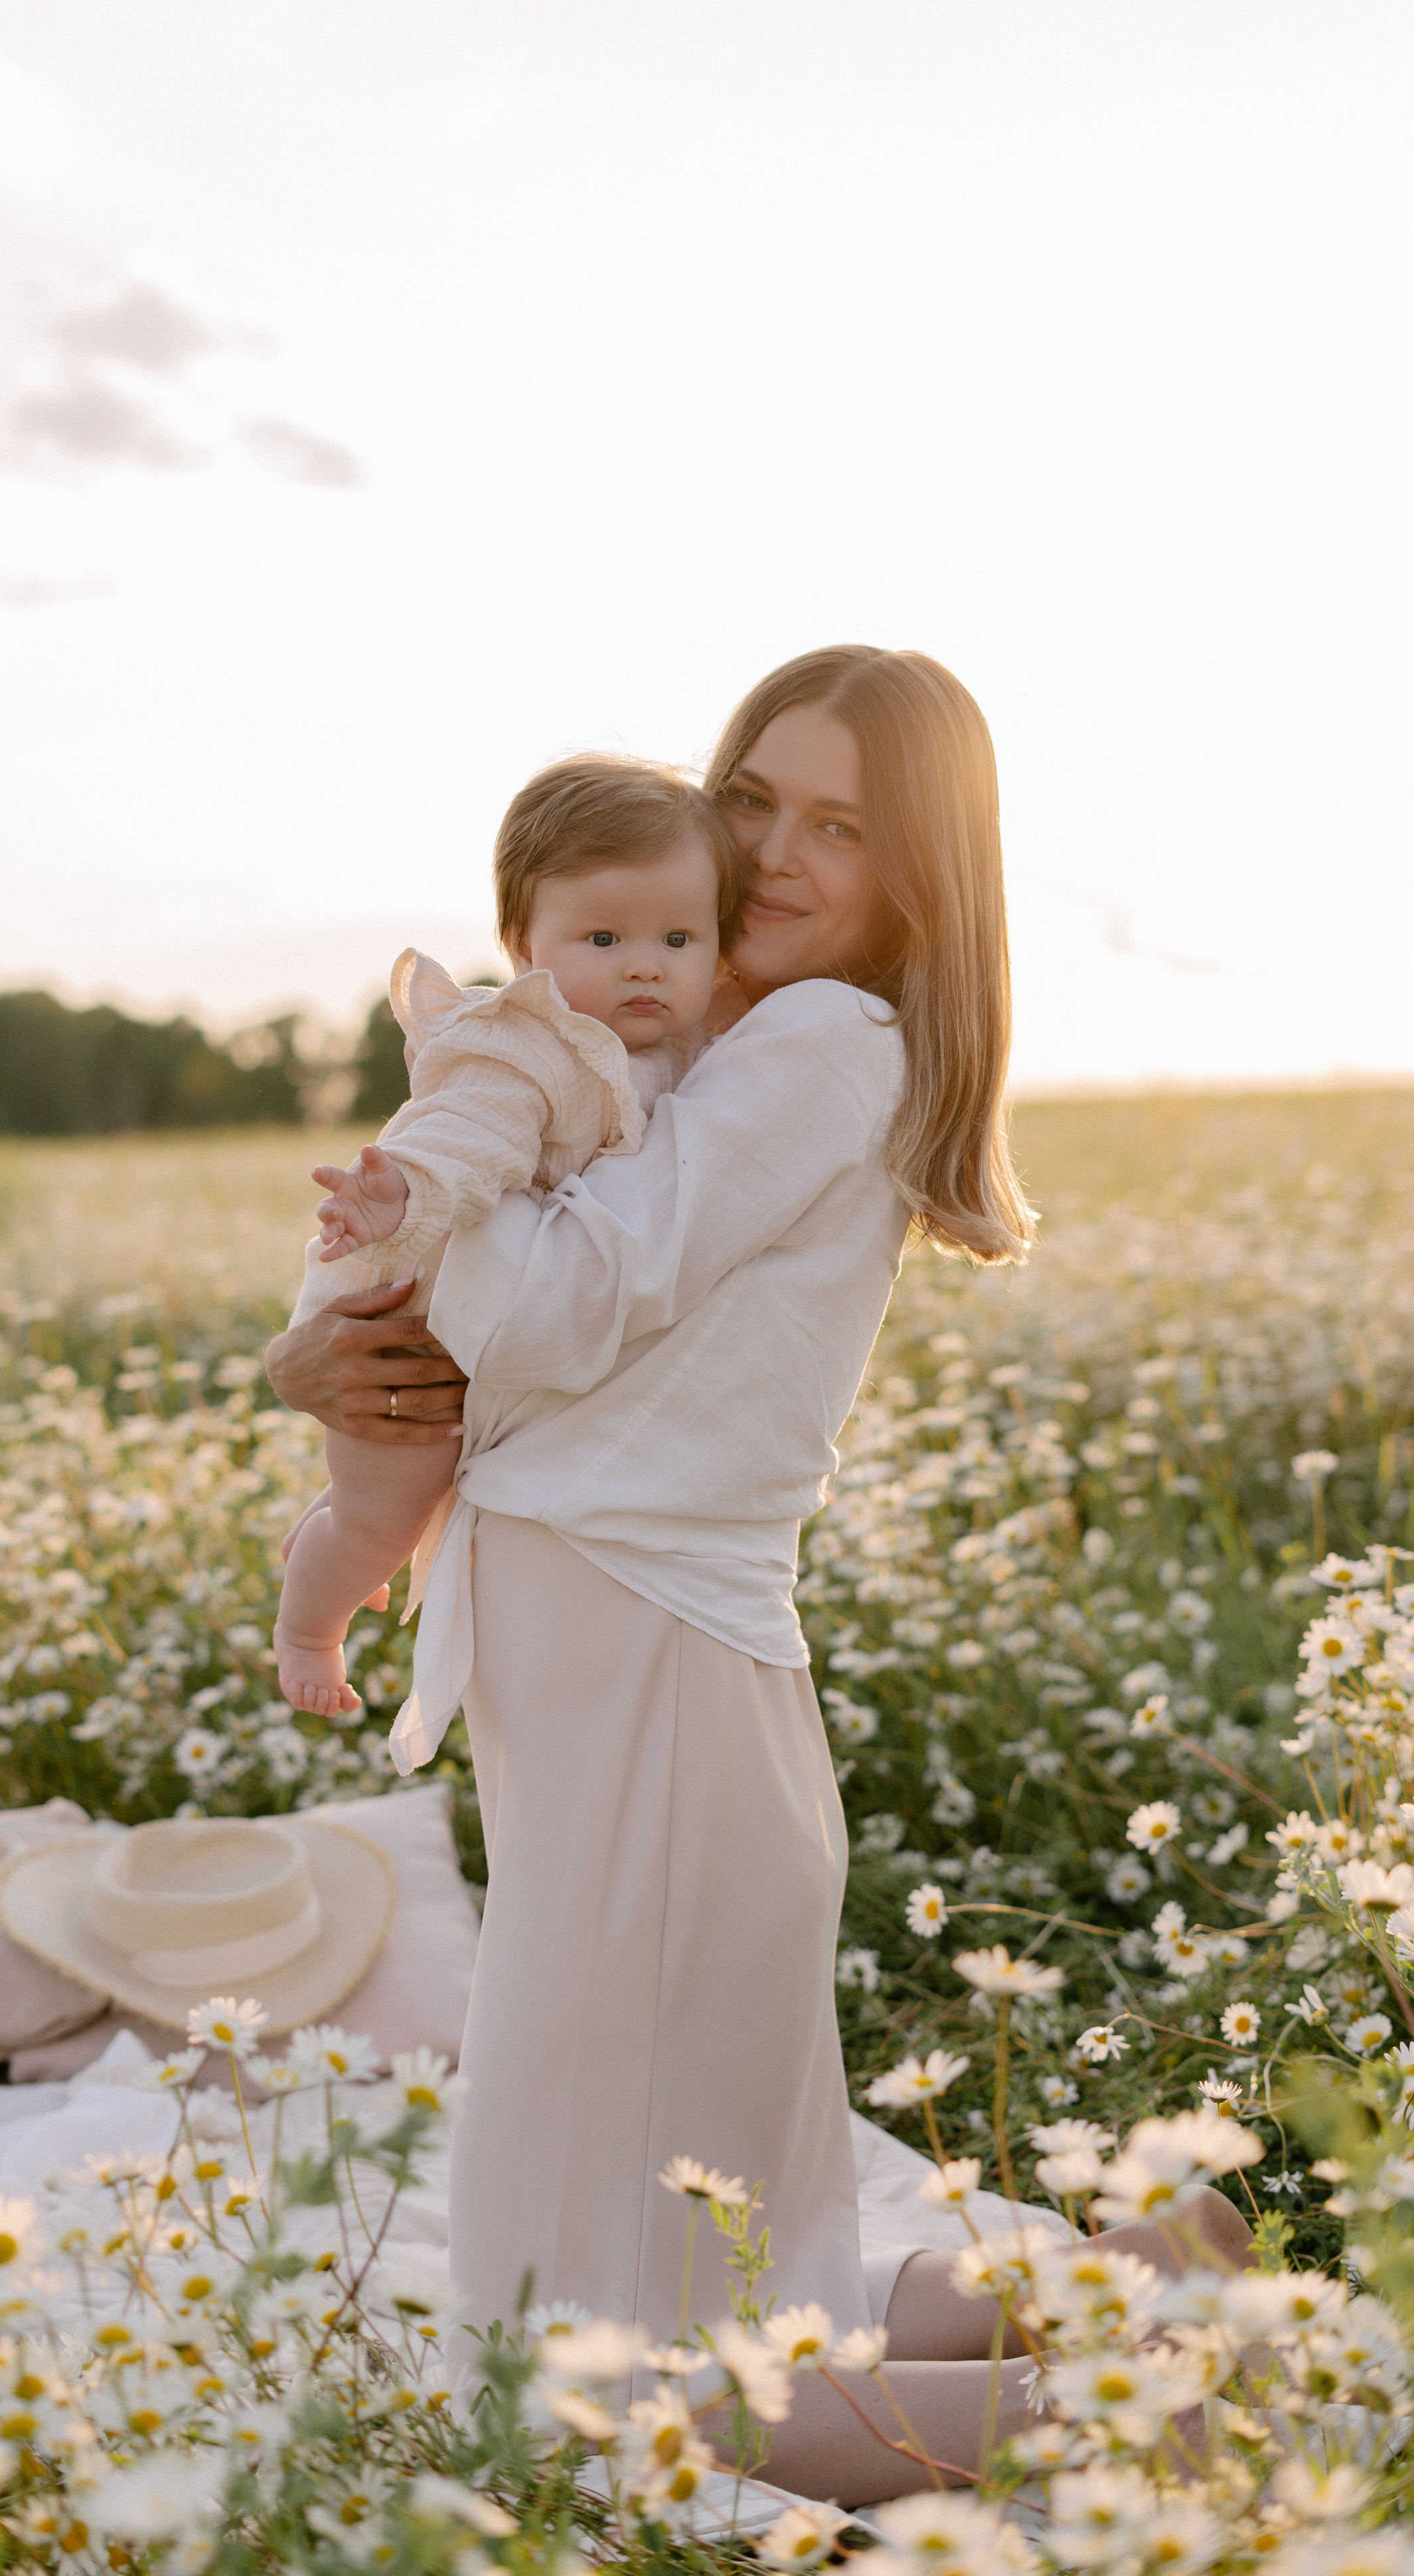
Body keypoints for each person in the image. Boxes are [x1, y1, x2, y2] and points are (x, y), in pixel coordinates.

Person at [266, 647, 1250, 2500]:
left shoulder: (823, 1042)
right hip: (654, 1685)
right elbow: (540, 1297)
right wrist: (335, 1340)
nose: (778, 857)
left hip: (648, 1679)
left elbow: (567, 1303)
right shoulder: (708, 1046)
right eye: (752, 803)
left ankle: (1123, 2415)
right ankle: (1140, 2282)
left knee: (576, 2388)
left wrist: (408, 1244)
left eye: (842, 827)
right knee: (712, 2263)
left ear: (920, 878)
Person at [272, 753, 739, 1715]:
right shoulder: (525, 1044)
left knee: (388, 1496)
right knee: (386, 1515)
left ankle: (335, 1524)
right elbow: (465, 1136)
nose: (645, 963)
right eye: (604, 936)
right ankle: (308, 1628)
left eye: (679, 938)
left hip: (470, 1320)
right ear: (523, 945)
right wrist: (400, 1193)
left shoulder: (675, 1043)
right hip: (401, 1307)